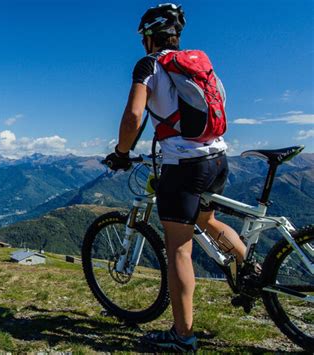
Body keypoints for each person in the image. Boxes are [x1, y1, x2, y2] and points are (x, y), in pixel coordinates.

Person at [104, 3, 247, 352]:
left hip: (183, 166)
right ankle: (251, 275)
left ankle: (183, 337)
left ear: (148, 38)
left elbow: (133, 115)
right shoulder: (199, 66)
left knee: (178, 248)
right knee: (207, 219)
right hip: (217, 158)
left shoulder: (150, 65)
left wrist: (122, 153)